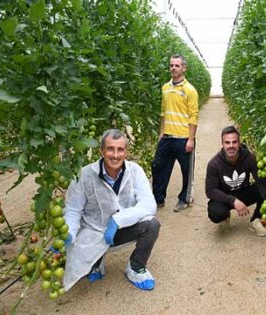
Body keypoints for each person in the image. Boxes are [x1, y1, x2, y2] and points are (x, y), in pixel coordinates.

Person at [62, 129, 160, 292]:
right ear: (101, 151)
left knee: (152, 224)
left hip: (121, 230)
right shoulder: (84, 175)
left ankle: (136, 267)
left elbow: (148, 204)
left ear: (126, 152)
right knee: (84, 255)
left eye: (120, 149)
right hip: (92, 230)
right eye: (110, 149)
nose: (115, 155)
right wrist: (69, 232)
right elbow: (73, 209)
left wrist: (119, 220)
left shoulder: (135, 171)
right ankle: (96, 262)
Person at [205, 126, 266, 237]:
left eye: (234, 142)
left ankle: (256, 219)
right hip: (225, 197)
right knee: (216, 212)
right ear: (222, 144)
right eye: (227, 142)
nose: (231, 146)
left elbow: (261, 182)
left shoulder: (249, 158)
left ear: (239, 143)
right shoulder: (214, 164)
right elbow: (210, 191)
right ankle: (225, 217)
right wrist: (233, 201)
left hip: (243, 193)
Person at [152, 54, 199, 212]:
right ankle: (158, 199)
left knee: (187, 170)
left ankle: (184, 198)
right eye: (171, 65)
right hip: (167, 137)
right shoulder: (165, 88)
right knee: (158, 167)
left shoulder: (190, 90)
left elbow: (193, 116)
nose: (173, 68)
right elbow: (163, 113)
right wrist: (161, 133)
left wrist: (191, 139)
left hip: (183, 138)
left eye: (177, 65)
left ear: (183, 68)